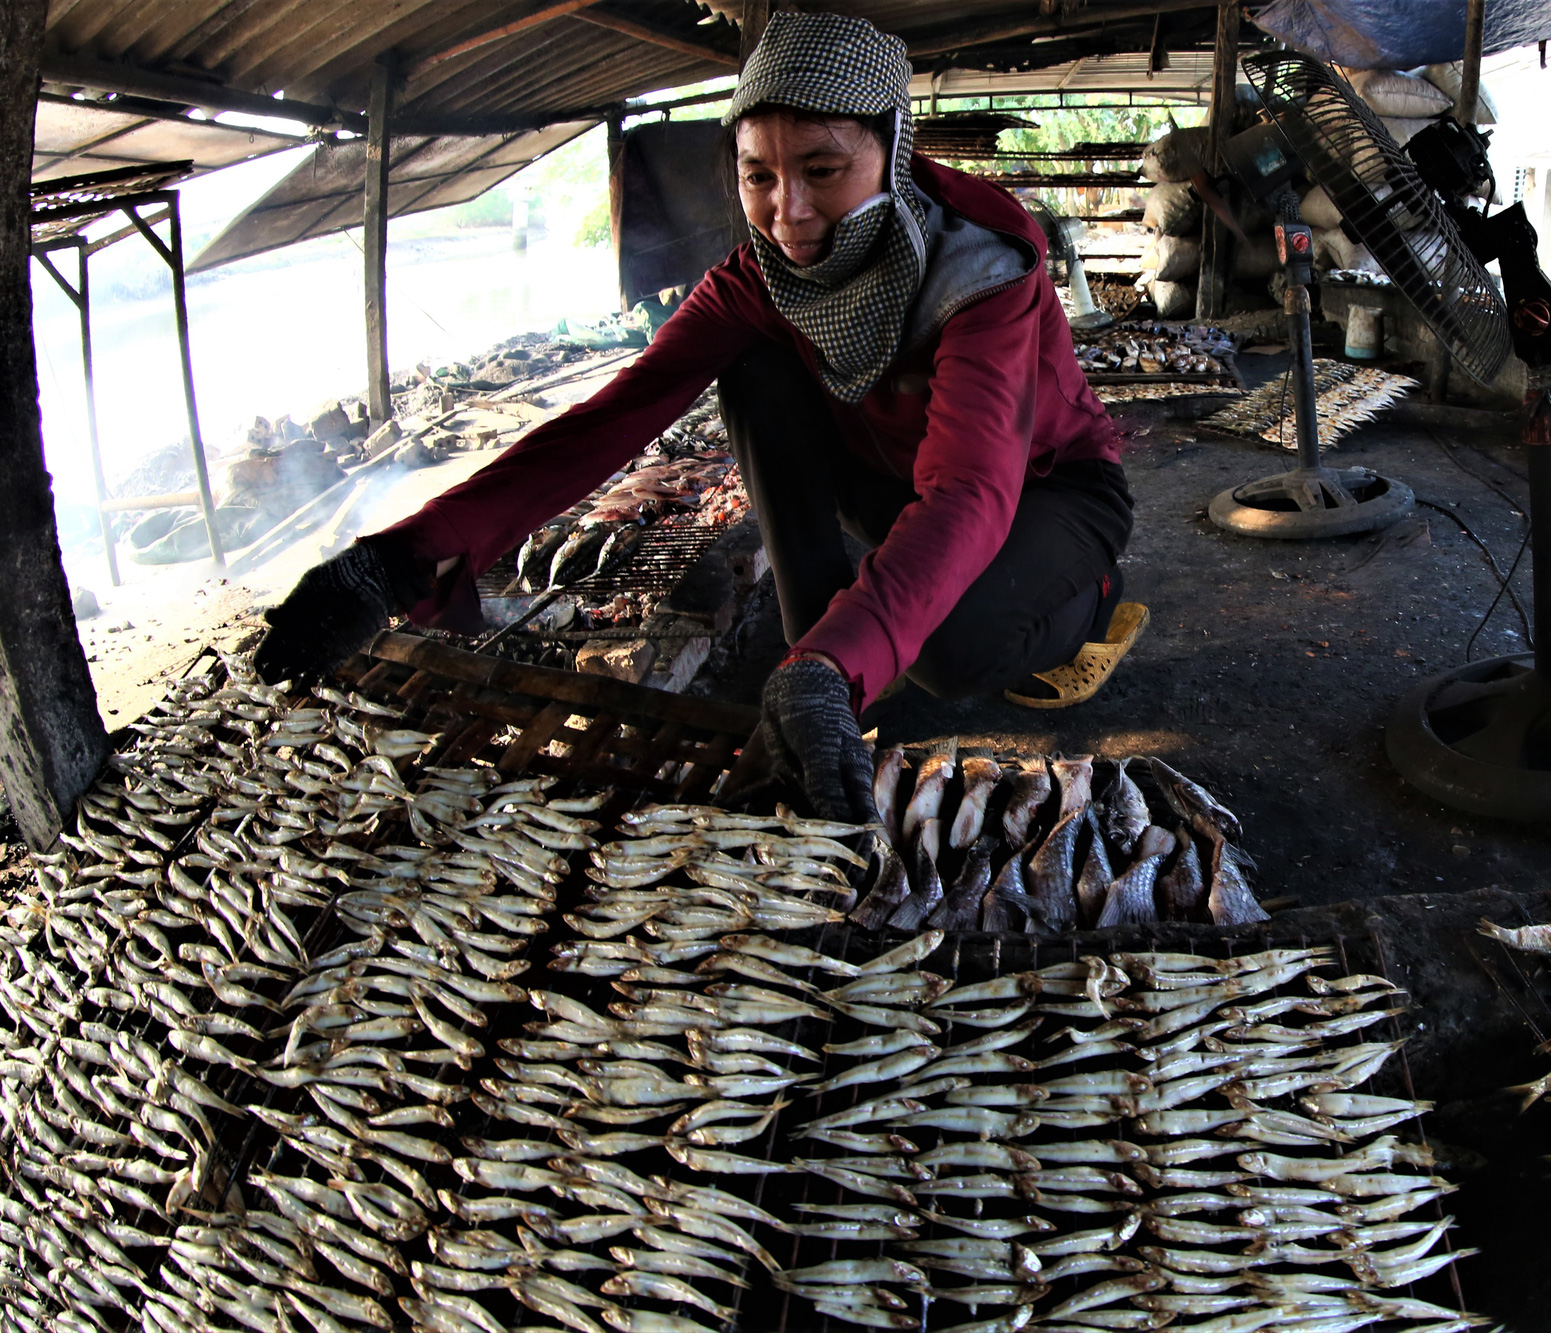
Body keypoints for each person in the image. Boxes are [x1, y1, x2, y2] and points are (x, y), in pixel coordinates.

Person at [252, 11, 1145, 823]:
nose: (788, 213)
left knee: (952, 652)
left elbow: (970, 493)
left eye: (823, 171)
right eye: (759, 176)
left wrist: (837, 669)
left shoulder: (982, 273)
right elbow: (610, 417)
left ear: (895, 151)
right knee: (756, 375)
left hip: (1046, 493)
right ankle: (814, 663)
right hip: (893, 474)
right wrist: (401, 557)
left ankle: (1080, 599)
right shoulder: (756, 281)